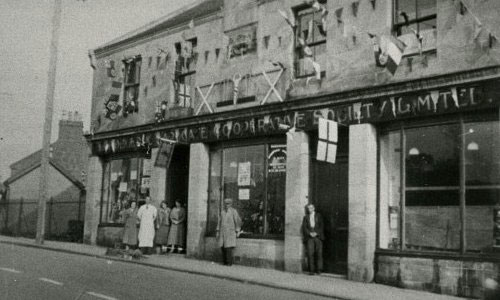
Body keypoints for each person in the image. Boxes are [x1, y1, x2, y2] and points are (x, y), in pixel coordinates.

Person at [216, 198, 242, 266]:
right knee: (222, 247)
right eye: (225, 204)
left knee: (228, 247)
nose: (226, 205)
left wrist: (237, 231)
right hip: (222, 232)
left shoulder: (234, 211)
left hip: (230, 232)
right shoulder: (222, 212)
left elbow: (238, 221)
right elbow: (219, 222)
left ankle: (229, 262)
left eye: (228, 204)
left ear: (231, 204)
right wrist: (218, 231)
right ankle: (224, 262)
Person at [302, 203, 324, 275]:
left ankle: (319, 269)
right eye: (308, 208)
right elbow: (304, 227)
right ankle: (311, 270)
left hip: (318, 237)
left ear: (314, 208)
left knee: (319, 253)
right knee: (310, 253)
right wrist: (309, 233)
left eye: (311, 208)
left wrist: (316, 233)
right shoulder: (306, 217)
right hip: (310, 237)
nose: (310, 209)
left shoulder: (319, 216)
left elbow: (322, 226)